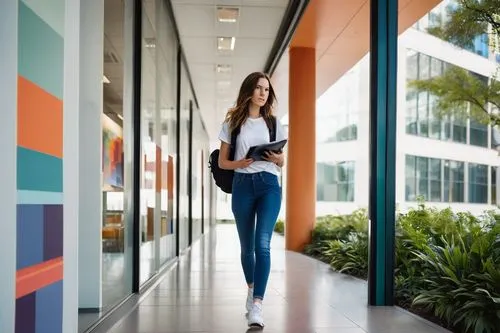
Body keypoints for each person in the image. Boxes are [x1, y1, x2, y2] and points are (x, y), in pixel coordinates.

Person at [218, 72, 287, 328]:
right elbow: (224, 162)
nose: (262, 93)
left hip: (269, 185)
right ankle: (251, 289)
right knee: (247, 248)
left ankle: (257, 304)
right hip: (243, 185)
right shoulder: (232, 123)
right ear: (249, 90)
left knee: (263, 244)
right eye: (258, 88)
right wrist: (241, 162)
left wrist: (276, 159)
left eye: (266, 90)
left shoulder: (273, 123)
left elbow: (282, 161)